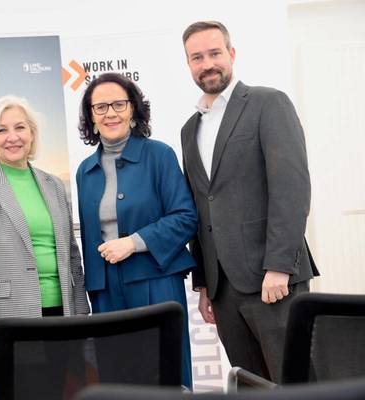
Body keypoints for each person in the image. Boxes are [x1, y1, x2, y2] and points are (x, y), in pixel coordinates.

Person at [180, 21, 319, 383]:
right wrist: (205, 284)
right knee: (250, 385)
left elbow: (291, 188)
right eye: (197, 57)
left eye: (215, 53)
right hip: (223, 289)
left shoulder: (267, 103)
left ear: (232, 54)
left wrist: (280, 266)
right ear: (189, 64)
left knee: (295, 383)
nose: (207, 64)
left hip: (271, 278)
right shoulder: (189, 129)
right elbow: (201, 205)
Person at [76, 73, 198, 388]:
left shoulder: (159, 155)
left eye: (118, 104)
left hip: (156, 281)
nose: (110, 113)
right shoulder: (84, 171)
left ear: (133, 109)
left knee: (164, 374)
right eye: (100, 107)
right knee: (116, 380)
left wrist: (133, 242)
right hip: (105, 291)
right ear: (91, 116)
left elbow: (186, 217)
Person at [0, 95, 90, 376]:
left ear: (32, 133)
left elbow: (71, 253)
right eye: (1, 130)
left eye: (20, 127)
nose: (12, 137)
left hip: (61, 314)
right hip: (6, 319)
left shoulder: (54, 185)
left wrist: (80, 308)